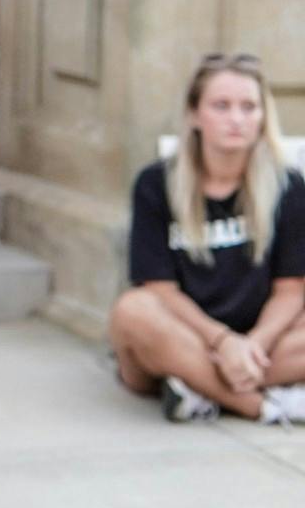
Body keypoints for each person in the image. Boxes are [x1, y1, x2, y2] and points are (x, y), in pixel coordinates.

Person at [111, 54, 305, 424]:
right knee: (132, 311)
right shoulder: (156, 184)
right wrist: (221, 341)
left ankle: (197, 389)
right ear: (194, 114)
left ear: (264, 116)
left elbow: (291, 289)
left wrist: (252, 344)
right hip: (182, 335)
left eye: (249, 107)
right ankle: (261, 405)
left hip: (261, 342)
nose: (237, 119)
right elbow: (159, 290)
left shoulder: (289, 186)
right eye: (221, 106)